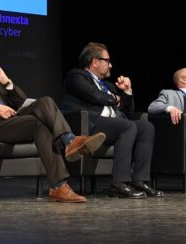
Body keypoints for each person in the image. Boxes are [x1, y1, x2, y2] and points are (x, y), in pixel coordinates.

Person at [0, 38, 106, 203]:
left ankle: (66, 155)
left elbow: (20, 102)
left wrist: (6, 82)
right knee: (38, 124)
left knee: (45, 104)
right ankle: (64, 165)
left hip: (11, 120)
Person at [60, 42, 162, 198]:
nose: (111, 65)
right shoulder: (76, 76)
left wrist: (127, 92)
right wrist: (114, 98)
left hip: (113, 124)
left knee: (146, 127)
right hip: (91, 124)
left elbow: (127, 113)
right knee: (127, 127)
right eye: (107, 61)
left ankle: (139, 180)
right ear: (95, 61)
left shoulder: (108, 86)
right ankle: (118, 184)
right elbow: (93, 95)